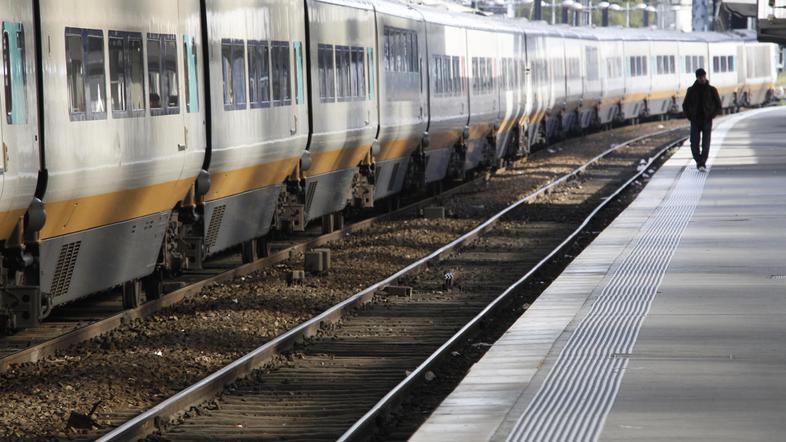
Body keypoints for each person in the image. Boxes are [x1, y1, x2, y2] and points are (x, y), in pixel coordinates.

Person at [682, 68, 722, 172]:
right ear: (697, 78)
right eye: (700, 77)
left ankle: (702, 162)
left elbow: (718, 105)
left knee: (706, 142)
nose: (702, 79)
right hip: (695, 120)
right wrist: (690, 116)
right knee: (694, 142)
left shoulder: (712, 90)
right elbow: (685, 105)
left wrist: (711, 115)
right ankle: (698, 160)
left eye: (704, 76)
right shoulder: (691, 90)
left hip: (707, 120)